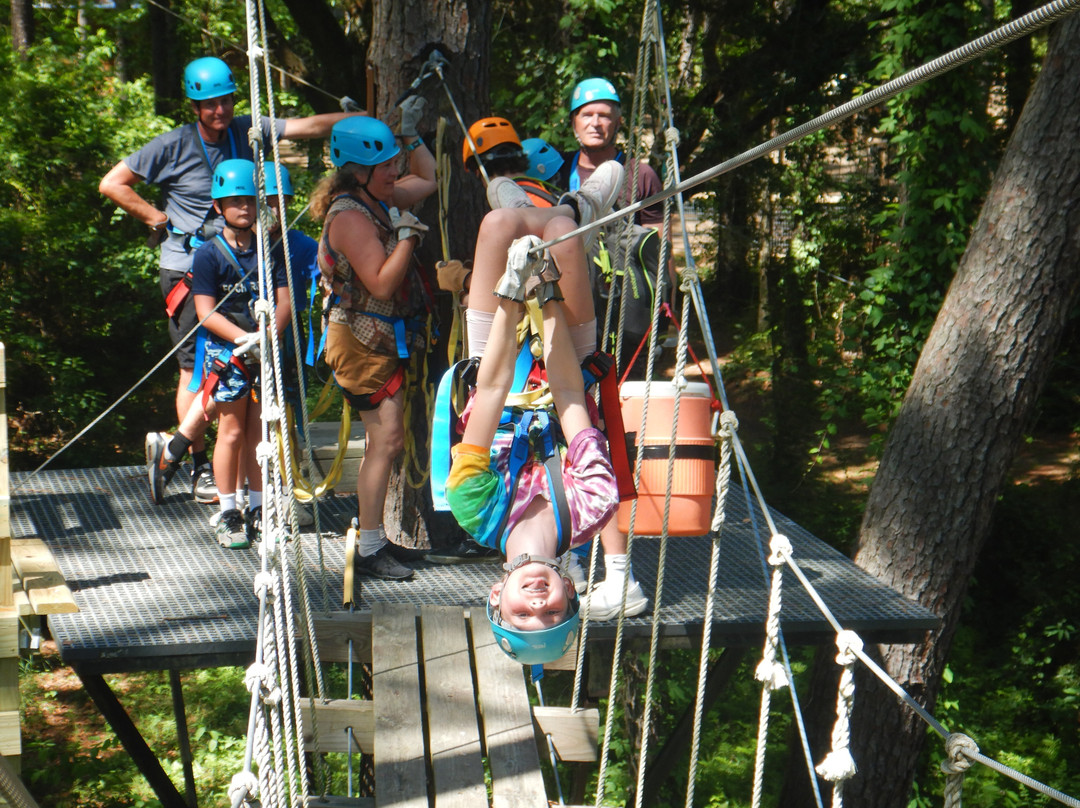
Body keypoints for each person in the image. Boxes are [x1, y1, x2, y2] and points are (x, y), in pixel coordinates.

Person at [99, 55, 360, 504]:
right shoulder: (173, 145)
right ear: (194, 107)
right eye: (210, 104)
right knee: (196, 369)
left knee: (243, 367)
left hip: (244, 264)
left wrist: (359, 119)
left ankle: (210, 463)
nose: (219, 110)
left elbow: (306, 127)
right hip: (191, 267)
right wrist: (156, 217)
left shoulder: (246, 129)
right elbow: (113, 183)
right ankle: (199, 463)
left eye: (225, 101)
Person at [444, 158, 647, 665]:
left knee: (498, 225)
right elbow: (570, 394)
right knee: (561, 234)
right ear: (571, 592)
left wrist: (515, 293)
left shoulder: (475, 508)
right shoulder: (591, 505)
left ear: (497, 596)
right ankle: (576, 209)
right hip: (565, 366)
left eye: (522, 616)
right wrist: (547, 293)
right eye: (553, 613)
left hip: (498, 364)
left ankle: (554, 209)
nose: (537, 605)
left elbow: (491, 389)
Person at [313, 108, 436, 581]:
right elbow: (382, 284)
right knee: (384, 441)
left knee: (387, 441)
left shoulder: (378, 198)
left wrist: (411, 134)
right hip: (360, 341)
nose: (394, 171)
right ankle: (369, 545)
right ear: (358, 172)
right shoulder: (350, 217)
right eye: (384, 165)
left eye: (394, 161)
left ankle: (375, 538)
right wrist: (406, 240)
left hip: (378, 339)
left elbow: (428, 178)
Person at [147, 159, 292, 548]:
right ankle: (229, 511)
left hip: (263, 350)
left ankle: (259, 508)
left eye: (250, 200)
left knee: (260, 432)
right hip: (230, 352)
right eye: (235, 201)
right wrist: (245, 339)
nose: (244, 207)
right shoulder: (209, 254)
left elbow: (283, 302)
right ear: (218, 206)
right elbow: (206, 312)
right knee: (231, 430)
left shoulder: (269, 251)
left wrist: (267, 336)